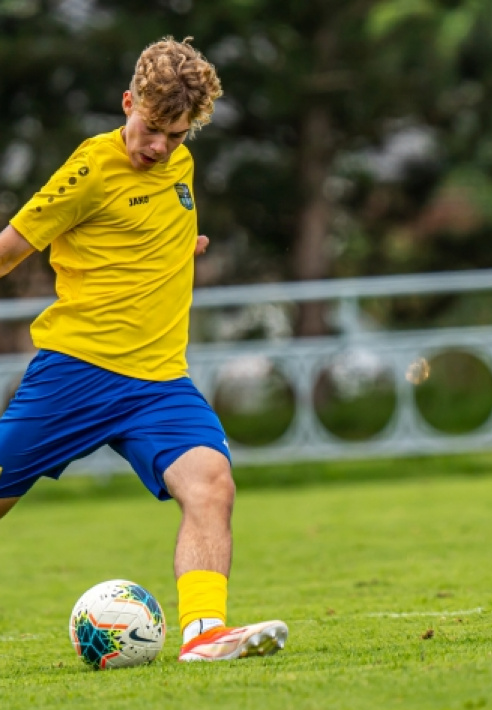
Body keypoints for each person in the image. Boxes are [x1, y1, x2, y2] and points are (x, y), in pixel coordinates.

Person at [0, 36, 288, 663]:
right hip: (77, 372)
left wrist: (182, 249)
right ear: (128, 102)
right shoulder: (89, 167)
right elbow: (9, 250)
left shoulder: (177, 167)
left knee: (211, 484)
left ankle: (205, 634)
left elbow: (147, 229)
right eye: (151, 128)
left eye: (176, 136)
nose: (158, 147)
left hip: (158, 382)